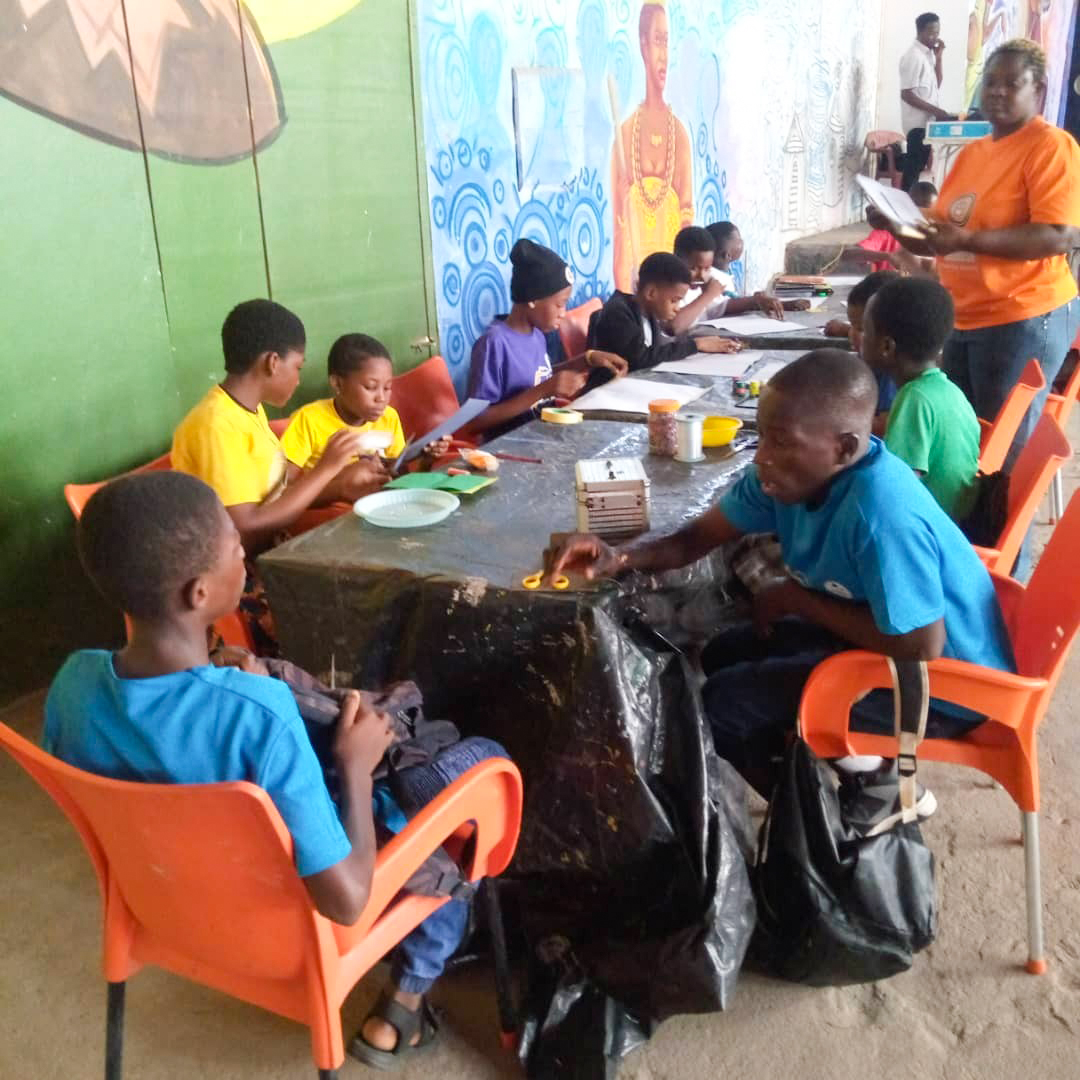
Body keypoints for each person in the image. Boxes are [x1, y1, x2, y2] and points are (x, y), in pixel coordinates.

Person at [44, 470, 509, 1069]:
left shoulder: (73, 685)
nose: (244, 553)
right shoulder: (257, 714)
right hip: (299, 929)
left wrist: (227, 676)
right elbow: (346, 900)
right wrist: (355, 766)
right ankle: (406, 997)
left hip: (164, 905)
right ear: (199, 593)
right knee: (484, 767)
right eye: (234, 546)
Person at [545, 350, 1015, 828]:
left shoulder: (880, 514)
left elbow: (921, 643)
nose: (761, 456)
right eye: (763, 436)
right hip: (885, 641)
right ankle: (858, 774)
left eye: (783, 441)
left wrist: (797, 598)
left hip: (946, 684)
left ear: (844, 448)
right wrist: (620, 557)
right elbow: (694, 540)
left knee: (723, 707)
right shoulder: (786, 480)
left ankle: (816, 830)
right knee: (723, 653)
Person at [888, 40, 1080, 572]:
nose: (996, 92)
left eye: (1010, 83)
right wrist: (897, 222)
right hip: (965, 314)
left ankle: (1002, 579)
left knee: (1002, 464)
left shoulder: (1051, 147)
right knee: (961, 450)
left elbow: (1059, 234)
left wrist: (967, 241)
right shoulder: (975, 152)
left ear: (1039, 89)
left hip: (1022, 314)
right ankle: (958, 564)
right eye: (989, 82)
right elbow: (942, 230)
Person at [171, 299, 369, 557]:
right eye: (297, 367)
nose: (298, 380)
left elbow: (274, 500)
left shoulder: (249, 411)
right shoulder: (215, 424)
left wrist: (342, 484)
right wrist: (326, 468)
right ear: (273, 362)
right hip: (234, 568)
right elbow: (245, 525)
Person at [465, 239, 627, 440]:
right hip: (510, 446)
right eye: (559, 304)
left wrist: (587, 359)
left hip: (542, 437)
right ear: (532, 299)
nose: (563, 313)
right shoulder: (494, 344)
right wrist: (544, 390)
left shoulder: (536, 335)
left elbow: (537, 377)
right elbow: (474, 422)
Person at [861, 277, 980, 521]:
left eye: (865, 331)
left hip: (934, 526)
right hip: (957, 518)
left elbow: (895, 489)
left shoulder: (914, 399)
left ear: (886, 346)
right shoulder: (948, 390)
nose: (858, 337)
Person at [280, 334, 451, 502]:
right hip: (333, 513)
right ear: (337, 383)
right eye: (370, 387)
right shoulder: (309, 420)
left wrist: (426, 462)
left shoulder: (388, 417)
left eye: (387, 388)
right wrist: (339, 485)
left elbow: (398, 477)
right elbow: (281, 492)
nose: (381, 398)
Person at [610, 0, 695, 292]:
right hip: (638, 292)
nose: (664, 55)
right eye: (658, 41)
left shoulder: (679, 135)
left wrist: (679, 295)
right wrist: (626, 299)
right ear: (643, 46)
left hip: (670, 292)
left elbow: (687, 227)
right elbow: (619, 236)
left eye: (667, 42)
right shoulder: (624, 134)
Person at [587, 252, 741, 373]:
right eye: (674, 300)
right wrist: (697, 345)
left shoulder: (649, 312)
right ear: (651, 293)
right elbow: (640, 359)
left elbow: (656, 351)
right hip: (607, 390)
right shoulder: (618, 312)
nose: (677, 308)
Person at [823, 271, 902, 435]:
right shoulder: (872, 357)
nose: (852, 334)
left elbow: (884, 427)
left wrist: (835, 416)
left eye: (861, 329)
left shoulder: (891, 373)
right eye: (851, 325)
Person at [899, 13, 957, 191]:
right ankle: (904, 204)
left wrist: (939, 58)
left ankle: (910, 203)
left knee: (918, 171)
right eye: (932, 33)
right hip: (917, 126)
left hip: (928, 124)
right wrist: (936, 111)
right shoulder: (913, 57)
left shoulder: (928, 55)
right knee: (912, 173)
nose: (936, 37)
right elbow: (906, 94)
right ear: (920, 31)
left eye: (938, 32)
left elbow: (936, 85)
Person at [704, 220, 811, 318]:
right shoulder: (713, 278)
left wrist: (768, 302)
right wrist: (756, 301)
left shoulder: (721, 273)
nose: (742, 241)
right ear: (727, 255)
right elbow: (723, 306)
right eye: (739, 240)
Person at [847, 182, 938, 273]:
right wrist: (888, 256)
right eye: (918, 209)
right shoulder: (889, 232)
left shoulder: (939, 239)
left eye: (928, 212)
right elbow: (848, 254)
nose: (922, 216)